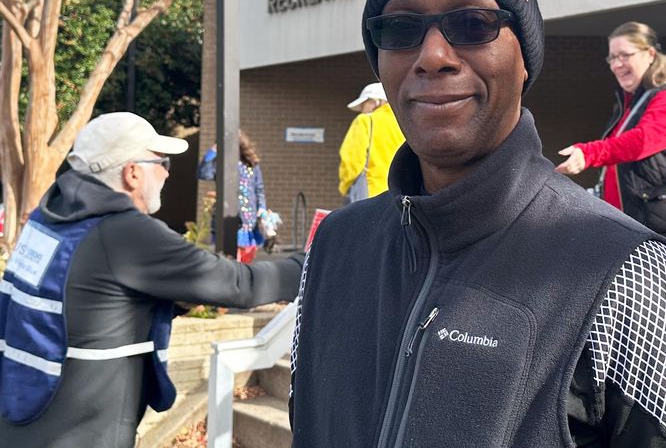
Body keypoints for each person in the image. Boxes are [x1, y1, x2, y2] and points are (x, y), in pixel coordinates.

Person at [288, 0, 666, 447]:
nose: (432, 56)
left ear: (525, 58)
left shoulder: (628, 271)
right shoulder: (335, 246)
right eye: (400, 28)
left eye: (473, 24)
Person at [0, 112, 299, 448]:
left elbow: (83, 302)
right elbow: (241, 284)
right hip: (84, 433)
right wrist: (318, 259)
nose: (166, 174)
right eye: (162, 163)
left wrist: (173, 302)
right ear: (132, 173)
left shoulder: (51, 217)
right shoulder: (125, 233)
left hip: (25, 417)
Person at [556, 21, 666, 289]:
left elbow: (641, 141)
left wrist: (589, 153)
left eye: (625, 55)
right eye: (612, 57)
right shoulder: (633, 102)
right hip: (647, 225)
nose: (617, 64)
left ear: (650, 55)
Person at [198, 130, 267, 262]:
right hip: (226, 216)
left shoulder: (251, 164)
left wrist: (262, 208)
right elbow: (203, 174)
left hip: (249, 219)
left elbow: (259, 188)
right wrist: (212, 151)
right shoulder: (220, 163)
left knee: (246, 257)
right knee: (229, 257)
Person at [338, 82, 405, 203]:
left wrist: (345, 187)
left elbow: (352, 162)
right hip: (402, 196)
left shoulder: (365, 120)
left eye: (364, 104)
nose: (362, 110)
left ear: (375, 102)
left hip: (371, 194)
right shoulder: (405, 122)